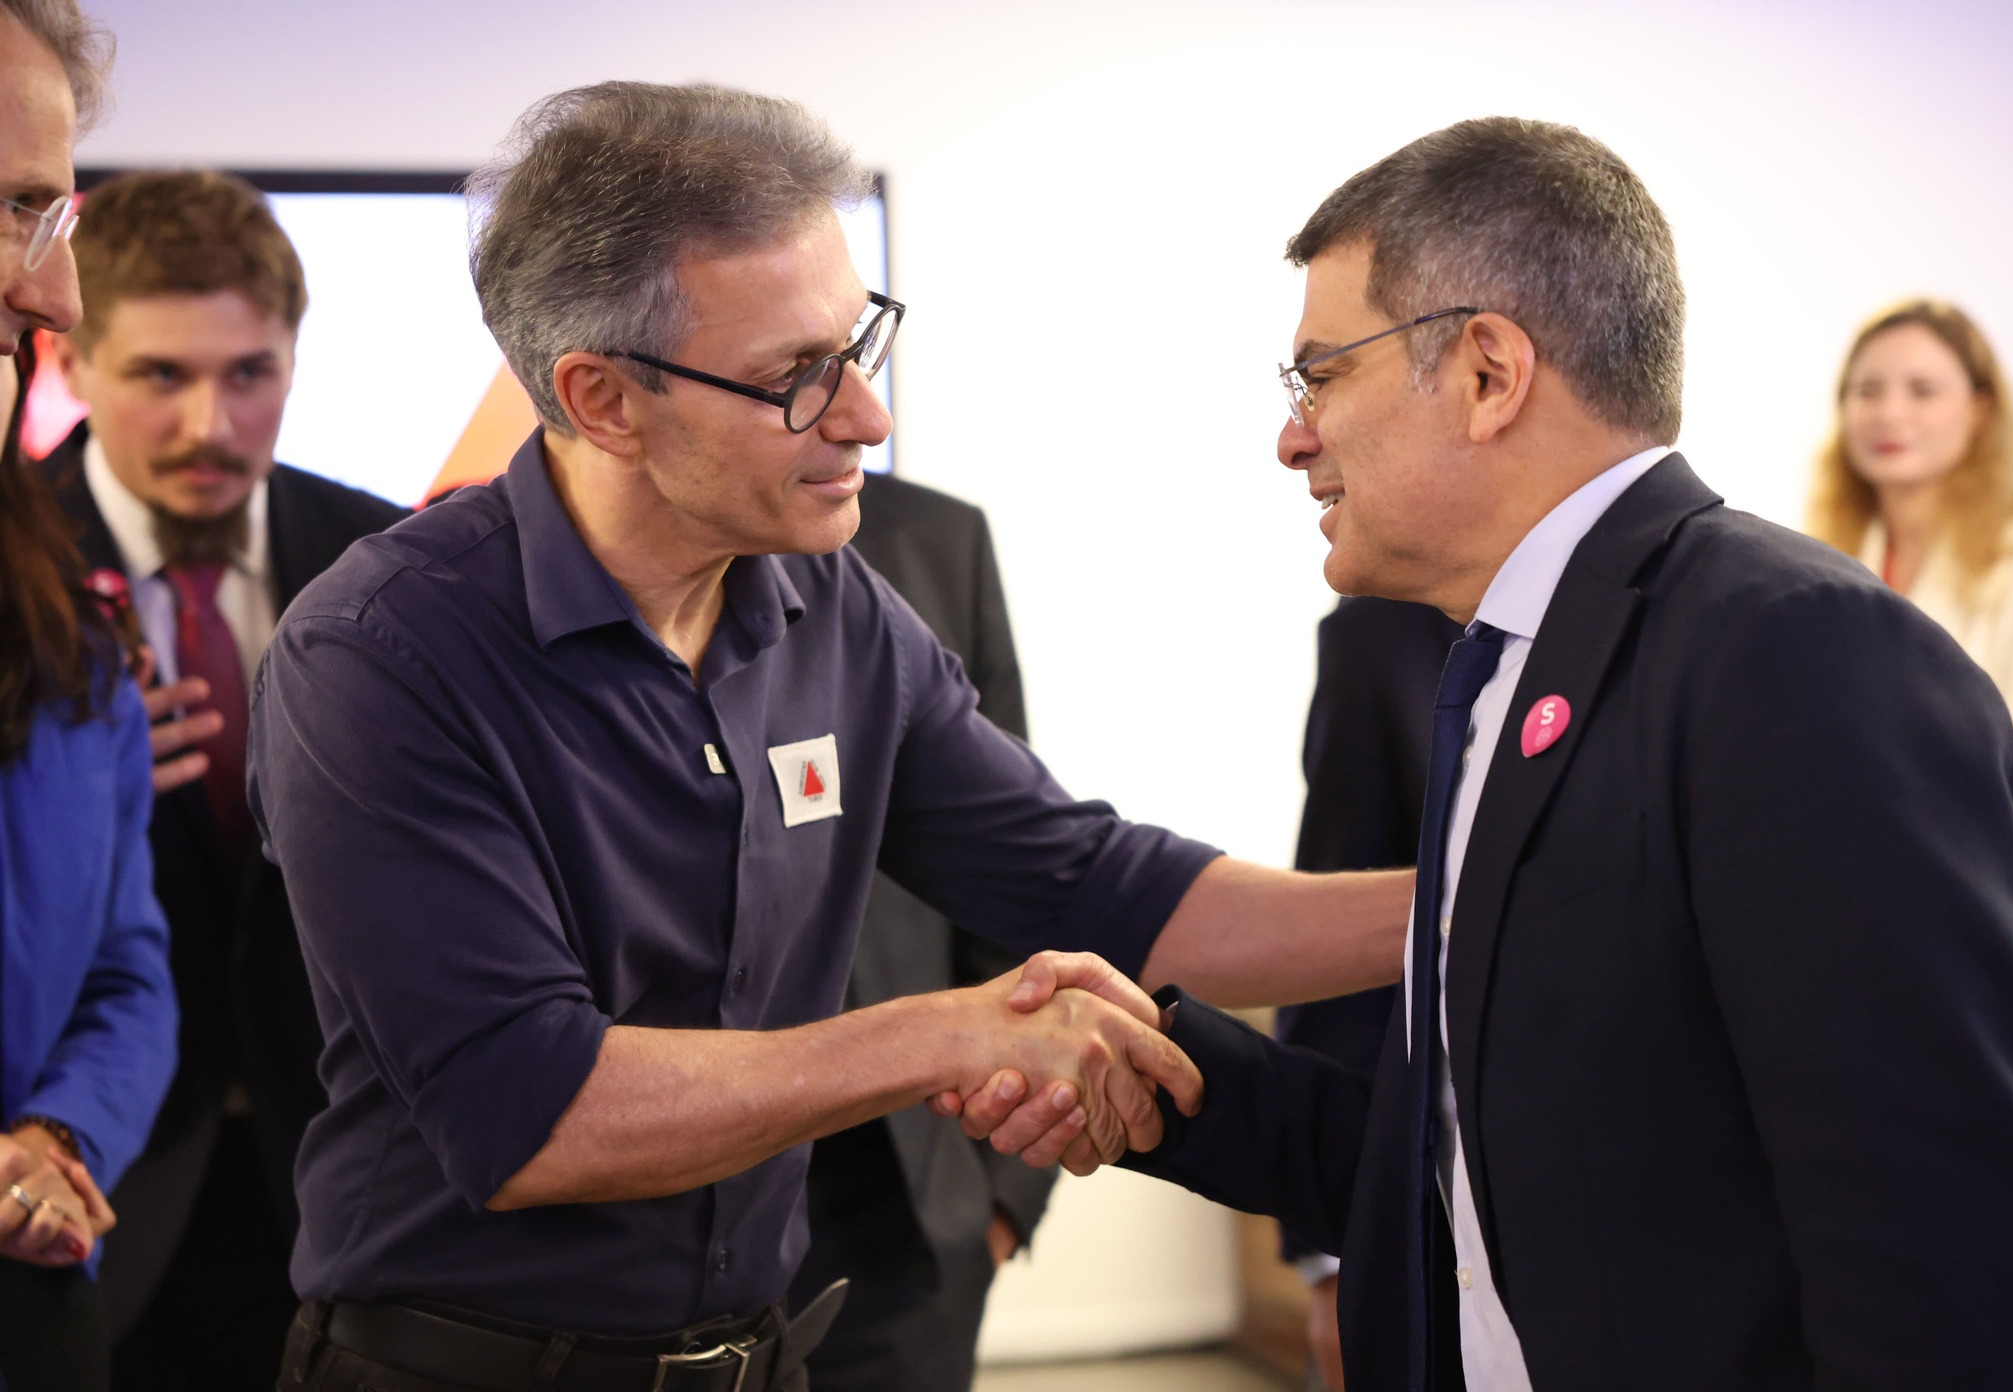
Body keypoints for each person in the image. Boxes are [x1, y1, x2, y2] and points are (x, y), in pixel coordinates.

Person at [250, 82, 1407, 1392]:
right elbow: (534, 1111)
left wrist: (1473, 907)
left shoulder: (831, 607)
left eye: (856, 347)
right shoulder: (382, 656)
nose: (864, 414)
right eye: (793, 378)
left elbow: (1089, 879)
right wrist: (945, 1036)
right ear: (602, 399)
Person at [962, 117, 2013, 1389]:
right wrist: (1174, 1078)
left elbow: (1950, 1260)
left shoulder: (1799, 653)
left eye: (1320, 376)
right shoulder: (1502, 666)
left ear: (1490, 373)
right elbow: (1480, 1170)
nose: (1293, 436)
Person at [38, 168, 408, 1389]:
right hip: (79, 1191)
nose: (211, 423)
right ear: (73, 363)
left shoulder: (393, 562)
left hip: (355, 1196)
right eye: (161, 375)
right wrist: (66, 789)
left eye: (250, 374)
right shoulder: (9, 569)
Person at [0, 3, 180, 1385]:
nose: (57, 297)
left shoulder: (65, 622)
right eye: (17, 212)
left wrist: (57, 1140)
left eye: (50, 215)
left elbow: (126, 967)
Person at [1807, 299, 2013, 1174]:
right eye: (1867, 390)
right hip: (1868, 975)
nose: (1888, 412)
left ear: (1982, 408)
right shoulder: (1822, 563)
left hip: (2011, 973)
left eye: (1922, 390)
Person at [788, 468, 1054, 1392]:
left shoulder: (935, 541)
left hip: (900, 1212)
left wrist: (1002, 1199)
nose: (862, 413)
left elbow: (1026, 870)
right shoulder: (497, 566)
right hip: (642, 1231)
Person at [1275, 596, 1457, 1392]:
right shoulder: (1379, 633)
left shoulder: (1706, 606)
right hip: (1426, 1222)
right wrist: (1335, 1255)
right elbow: (1336, 963)